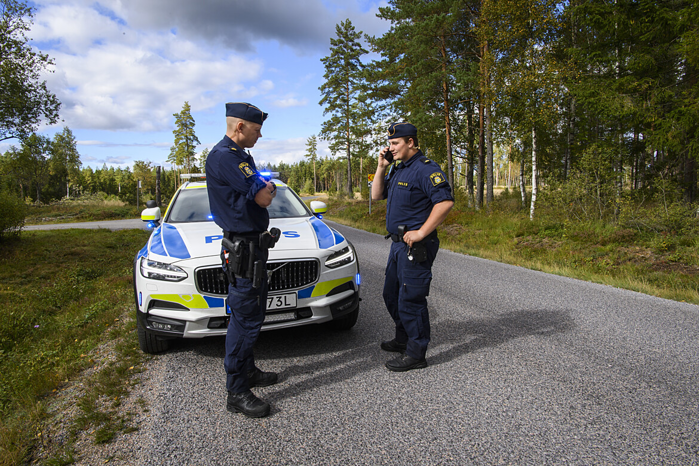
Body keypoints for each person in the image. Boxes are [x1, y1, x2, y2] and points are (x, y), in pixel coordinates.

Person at [206, 102, 279, 418]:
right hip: (243, 250)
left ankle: (247, 370)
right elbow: (263, 196)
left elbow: (259, 190)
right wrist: (270, 186)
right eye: (256, 130)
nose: (259, 136)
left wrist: (265, 186)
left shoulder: (241, 157)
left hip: (253, 248)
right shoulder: (226, 157)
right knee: (245, 318)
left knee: (254, 314)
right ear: (239, 127)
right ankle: (236, 390)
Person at [371, 122, 454, 372]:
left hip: (415, 246)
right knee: (391, 294)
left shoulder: (425, 169)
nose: (390, 147)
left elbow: (445, 202)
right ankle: (403, 338)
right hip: (397, 245)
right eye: (390, 143)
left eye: (395, 143)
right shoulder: (398, 169)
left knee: (411, 298)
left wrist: (421, 232)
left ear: (410, 142)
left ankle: (417, 353)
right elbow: (376, 195)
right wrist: (381, 167)